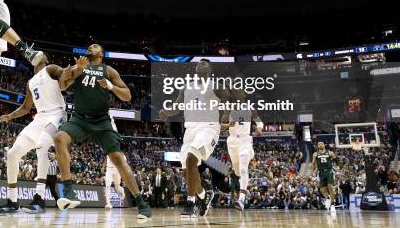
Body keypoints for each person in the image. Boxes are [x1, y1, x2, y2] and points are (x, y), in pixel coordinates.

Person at [53, 44, 152, 220]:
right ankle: (69, 192)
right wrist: (77, 71)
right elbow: (62, 86)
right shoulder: (77, 66)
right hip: (80, 119)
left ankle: (142, 203)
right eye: (89, 46)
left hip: (102, 121)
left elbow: (127, 96)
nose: (90, 48)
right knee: (60, 138)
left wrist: (111, 87)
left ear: (101, 53)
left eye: (94, 46)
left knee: (118, 159)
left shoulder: (109, 71)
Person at [0, 54, 68, 214]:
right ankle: (12, 201)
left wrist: (75, 70)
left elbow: (66, 78)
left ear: (45, 59)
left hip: (56, 114)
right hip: (40, 118)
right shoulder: (31, 82)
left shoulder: (50, 68)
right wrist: (10, 116)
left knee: (41, 146)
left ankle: (39, 199)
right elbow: (26, 108)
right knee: (12, 154)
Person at [160, 60, 222, 218]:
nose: (200, 64)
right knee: (187, 172)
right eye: (198, 63)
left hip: (208, 127)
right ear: (195, 69)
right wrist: (167, 112)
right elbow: (177, 106)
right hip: (190, 130)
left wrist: (228, 115)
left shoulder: (217, 85)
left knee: (191, 158)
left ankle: (191, 202)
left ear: (210, 69)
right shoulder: (186, 87)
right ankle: (203, 195)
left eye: (205, 63)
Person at [221, 87, 263, 211]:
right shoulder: (228, 109)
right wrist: (228, 125)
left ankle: (241, 199)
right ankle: (242, 184)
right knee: (238, 171)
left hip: (245, 140)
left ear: (243, 95)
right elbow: (220, 125)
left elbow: (259, 122)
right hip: (232, 141)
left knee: (243, 170)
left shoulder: (250, 109)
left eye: (238, 92)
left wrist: (259, 129)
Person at [311, 141, 337, 213]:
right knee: (323, 190)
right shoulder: (315, 154)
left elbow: (336, 161)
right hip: (321, 172)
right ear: (317, 146)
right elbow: (313, 164)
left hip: (329, 171)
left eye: (321, 144)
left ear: (324, 145)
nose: (320, 145)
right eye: (318, 144)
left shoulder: (330, 153)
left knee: (330, 187)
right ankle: (328, 198)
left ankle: (332, 205)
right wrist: (312, 171)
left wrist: (335, 160)